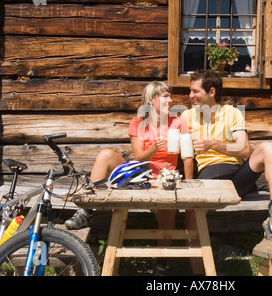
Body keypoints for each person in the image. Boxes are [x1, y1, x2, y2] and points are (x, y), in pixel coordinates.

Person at [65, 81, 199, 274]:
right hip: (139, 174)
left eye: (170, 96)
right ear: (152, 100)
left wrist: (188, 184)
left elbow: (187, 156)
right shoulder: (138, 123)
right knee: (105, 155)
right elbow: (139, 156)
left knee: (167, 221)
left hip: (163, 177)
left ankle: (161, 263)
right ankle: (87, 211)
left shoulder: (177, 122)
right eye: (165, 96)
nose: (171, 100)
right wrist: (155, 147)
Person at [180, 69, 272, 214]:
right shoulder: (187, 116)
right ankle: (197, 236)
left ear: (211, 92)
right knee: (197, 208)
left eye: (195, 91)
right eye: (190, 91)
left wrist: (212, 144)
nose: (191, 96)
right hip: (210, 179)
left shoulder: (232, 113)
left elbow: (245, 150)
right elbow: (186, 155)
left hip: (238, 178)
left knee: (269, 147)